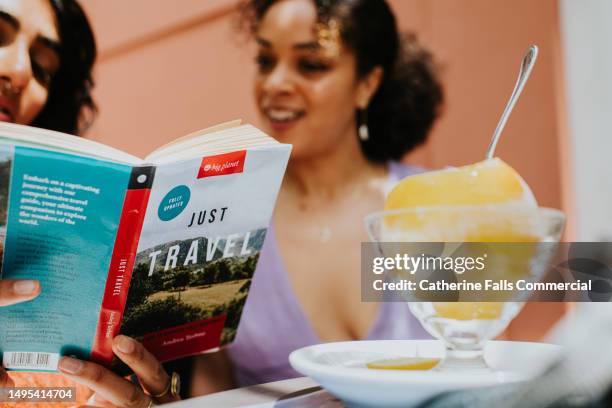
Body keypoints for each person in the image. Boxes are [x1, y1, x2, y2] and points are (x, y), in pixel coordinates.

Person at [59, 0, 443, 405]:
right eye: (265, 60)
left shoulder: (438, 208)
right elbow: (215, 396)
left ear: (367, 83)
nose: (275, 83)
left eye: (310, 65)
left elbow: (492, 371)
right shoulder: (227, 220)